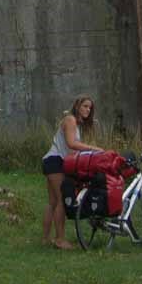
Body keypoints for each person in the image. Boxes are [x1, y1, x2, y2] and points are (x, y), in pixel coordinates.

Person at [41, 95, 104, 250]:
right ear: (77, 106)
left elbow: (71, 148)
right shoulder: (70, 120)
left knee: (53, 202)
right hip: (55, 162)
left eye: (90, 108)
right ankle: (60, 239)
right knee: (61, 200)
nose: (88, 110)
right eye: (85, 106)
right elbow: (71, 143)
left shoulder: (76, 125)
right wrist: (94, 149)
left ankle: (45, 238)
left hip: (51, 161)